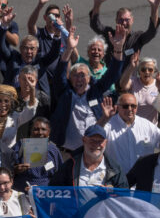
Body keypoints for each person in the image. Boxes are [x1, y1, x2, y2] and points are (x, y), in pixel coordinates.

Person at [49, 26, 125, 154]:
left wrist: (118, 48)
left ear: (89, 78)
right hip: (67, 151)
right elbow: (59, 74)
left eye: (83, 75)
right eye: (76, 75)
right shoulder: (65, 93)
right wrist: (69, 49)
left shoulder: (95, 91)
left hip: (92, 150)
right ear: (70, 78)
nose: (79, 79)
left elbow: (113, 74)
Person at [88, 0, 160, 64]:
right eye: (120, 20)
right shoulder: (110, 34)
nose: (124, 23)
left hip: (129, 75)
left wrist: (154, 8)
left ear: (132, 20)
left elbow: (152, 32)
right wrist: (97, 4)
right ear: (116, 21)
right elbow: (95, 25)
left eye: (127, 20)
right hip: (110, 74)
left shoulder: (137, 38)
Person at [97, 93, 160, 175]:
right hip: (117, 179)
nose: (129, 109)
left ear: (137, 108)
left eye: (133, 106)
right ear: (117, 107)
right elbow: (94, 136)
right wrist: (104, 118)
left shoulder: (147, 125)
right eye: (125, 106)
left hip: (142, 178)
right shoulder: (108, 124)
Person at [117, 53, 160, 124]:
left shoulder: (158, 84)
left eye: (150, 69)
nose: (147, 72)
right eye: (143, 69)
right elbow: (123, 85)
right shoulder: (133, 81)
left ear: (154, 71)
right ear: (139, 71)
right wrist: (131, 67)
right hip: (133, 125)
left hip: (151, 127)